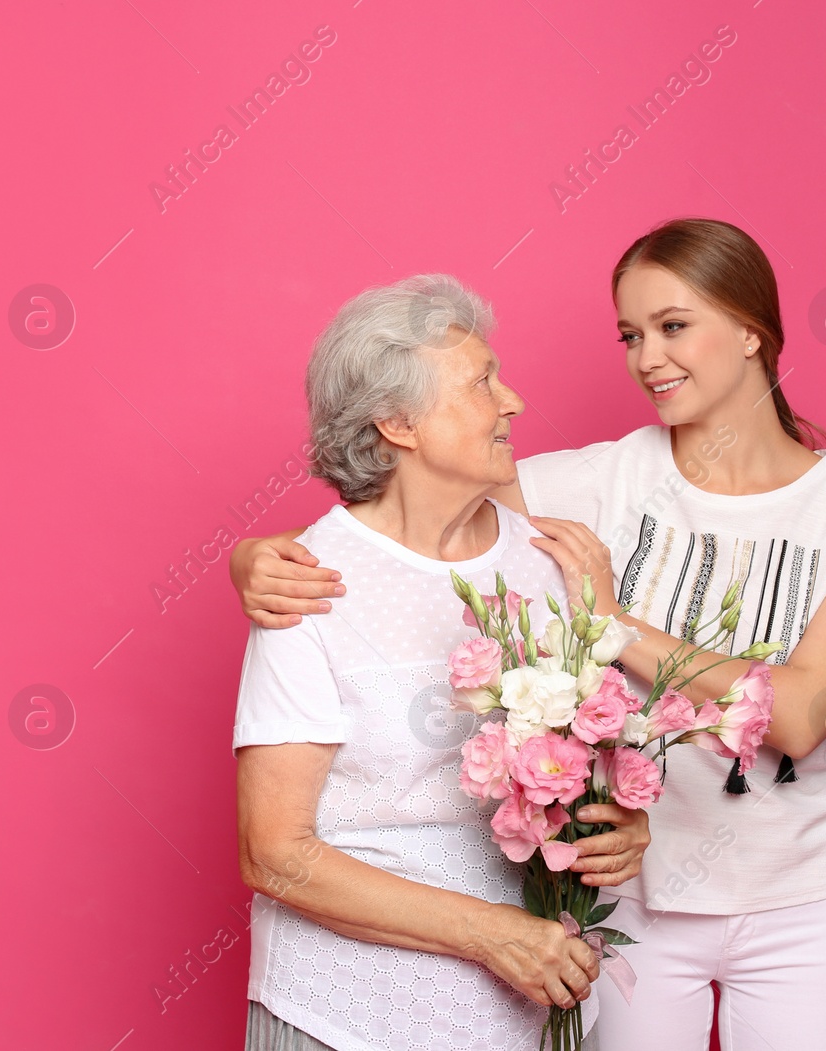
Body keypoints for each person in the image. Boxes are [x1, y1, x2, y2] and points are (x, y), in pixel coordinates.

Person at [231, 219, 826, 1051]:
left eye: (673, 326)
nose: (647, 358)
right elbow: (409, 502)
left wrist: (610, 621)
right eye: (630, 334)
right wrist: (254, 558)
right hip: (635, 905)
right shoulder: (594, 481)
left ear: (751, 328)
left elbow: (801, 714)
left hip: (799, 883)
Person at [235, 275, 651, 1051]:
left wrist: (621, 824)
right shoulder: (309, 583)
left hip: (541, 1020)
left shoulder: (558, 563)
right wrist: (489, 933)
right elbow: (275, 854)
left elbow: (589, 768)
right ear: (397, 422)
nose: (514, 400)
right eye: (482, 381)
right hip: (344, 1019)